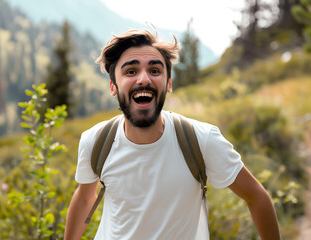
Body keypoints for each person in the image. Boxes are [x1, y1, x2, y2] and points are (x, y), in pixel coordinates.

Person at [64, 29, 280, 240]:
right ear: (113, 86)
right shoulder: (95, 141)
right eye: (130, 71)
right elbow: (85, 199)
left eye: (155, 71)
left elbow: (256, 197)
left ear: (168, 84)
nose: (143, 79)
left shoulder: (202, 139)